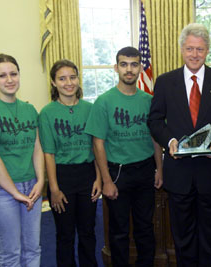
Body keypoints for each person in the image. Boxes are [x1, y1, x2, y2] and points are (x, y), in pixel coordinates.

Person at [148, 23, 211, 266]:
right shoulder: (165, 82)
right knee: (183, 236)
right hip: (178, 175)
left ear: (208, 50)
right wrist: (169, 141)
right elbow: (155, 120)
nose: (194, 54)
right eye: (190, 48)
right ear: (181, 49)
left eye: (200, 49)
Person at [85, 46, 163, 267]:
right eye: (124, 64)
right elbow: (97, 143)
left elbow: (155, 138)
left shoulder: (149, 100)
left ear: (140, 67)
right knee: (119, 231)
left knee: (145, 227)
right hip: (117, 173)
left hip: (146, 170)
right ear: (116, 67)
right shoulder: (104, 101)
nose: (129, 69)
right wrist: (106, 181)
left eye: (134, 64)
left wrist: (160, 169)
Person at [0, 54, 44, 266]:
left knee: (33, 248)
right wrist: (15, 192)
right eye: (2, 75)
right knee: (10, 253)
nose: (9, 79)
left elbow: (37, 149)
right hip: (1, 191)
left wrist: (41, 181)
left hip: (31, 186)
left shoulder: (29, 109)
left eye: (13, 74)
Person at [38, 59, 101, 266]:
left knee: (87, 231)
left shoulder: (91, 109)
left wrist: (99, 178)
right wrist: (53, 188)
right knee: (65, 234)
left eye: (72, 77)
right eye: (62, 78)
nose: (68, 83)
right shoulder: (47, 113)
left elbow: (97, 147)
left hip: (88, 175)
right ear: (54, 83)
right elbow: (49, 153)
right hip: (61, 177)